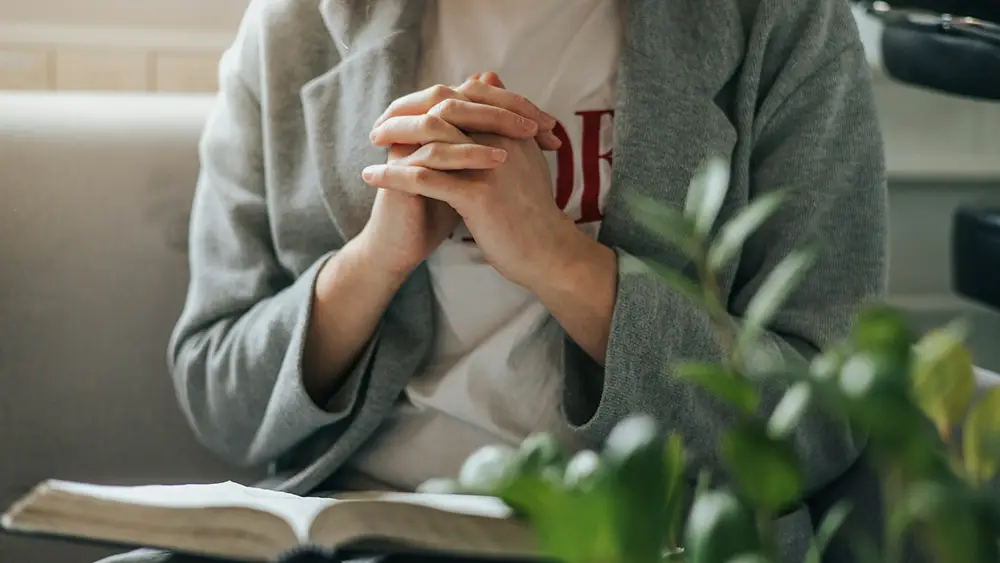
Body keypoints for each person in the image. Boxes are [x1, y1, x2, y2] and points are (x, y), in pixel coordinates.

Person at [100, 0, 886, 561]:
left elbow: (822, 420)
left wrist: (555, 256)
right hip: (352, 523)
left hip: (645, 532)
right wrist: (375, 258)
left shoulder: (784, 24)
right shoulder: (292, 27)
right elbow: (219, 394)